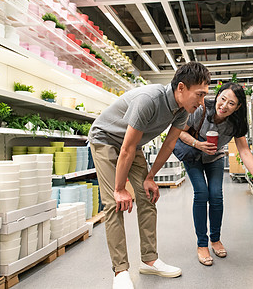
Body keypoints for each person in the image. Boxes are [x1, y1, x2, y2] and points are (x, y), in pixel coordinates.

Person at [88, 62, 210, 289]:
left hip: (131, 146)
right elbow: (125, 148)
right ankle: (120, 271)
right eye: (200, 94)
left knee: (147, 196)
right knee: (113, 204)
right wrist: (120, 188)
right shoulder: (149, 100)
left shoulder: (182, 110)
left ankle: (149, 260)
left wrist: (150, 177)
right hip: (105, 138)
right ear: (181, 88)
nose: (202, 102)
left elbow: (170, 143)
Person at [175, 82, 253, 266]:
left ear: (238, 107)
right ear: (217, 96)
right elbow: (179, 132)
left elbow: (244, 150)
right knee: (201, 194)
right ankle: (202, 244)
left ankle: (215, 239)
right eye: (223, 99)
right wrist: (199, 144)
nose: (224, 106)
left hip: (214, 157)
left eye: (231, 103)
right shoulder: (201, 109)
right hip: (193, 155)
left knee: (216, 196)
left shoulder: (236, 123)